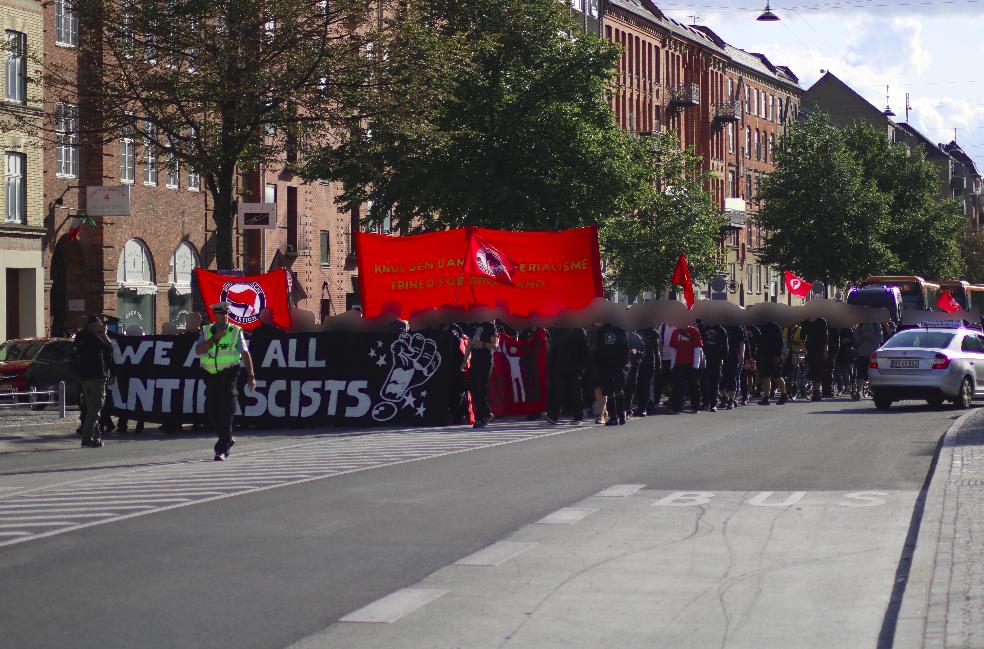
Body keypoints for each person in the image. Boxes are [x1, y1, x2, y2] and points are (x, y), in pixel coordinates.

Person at [195, 302, 257, 461]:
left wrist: (251, 376)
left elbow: (245, 353)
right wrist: (215, 338)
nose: (224, 317)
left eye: (226, 314)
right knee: (211, 411)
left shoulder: (235, 331)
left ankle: (221, 449)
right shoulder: (206, 330)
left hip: (229, 374)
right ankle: (228, 439)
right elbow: (199, 350)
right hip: (210, 375)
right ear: (214, 316)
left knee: (226, 411)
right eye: (221, 314)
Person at [72, 315, 114, 448]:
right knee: (95, 409)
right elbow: (109, 348)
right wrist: (105, 335)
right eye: (98, 324)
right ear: (92, 325)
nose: (100, 326)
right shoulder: (94, 337)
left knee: (91, 409)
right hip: (96, 377)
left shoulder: (80, 336)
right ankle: (87, 438)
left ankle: (96, 438)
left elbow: (72, 353)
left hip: (84, 378)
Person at [546, 324, 590, 424]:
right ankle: (553, 417)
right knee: (559, 392)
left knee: (576, 394)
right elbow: (553, 350)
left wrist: (582, 368)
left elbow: (585, 350)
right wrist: (551, 367)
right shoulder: (559, 331)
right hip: (560, 368)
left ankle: (578, 417)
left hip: (575, 368)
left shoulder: (578, 330)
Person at [593, 322, 630, 426]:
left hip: (615, 365)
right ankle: (615, 416)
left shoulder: (619, 330)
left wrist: (624, 363)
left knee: (616, 390)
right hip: (607, 365)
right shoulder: (604, 330)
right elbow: (599, 348)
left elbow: (625, 347)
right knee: (610, 391)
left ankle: (619, 415)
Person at [463, 321, 497, 428]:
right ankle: (486, 413)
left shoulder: (490, 326)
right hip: (475, 361)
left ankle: (480, 417)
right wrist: (464, 360)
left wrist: (483, 344)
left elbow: (495, 346)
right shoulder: (472, 325)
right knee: (473, 387)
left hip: (485, 361)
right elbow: (469, 344)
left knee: (481, 388)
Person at [669, 322, 703, 414]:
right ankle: (676, 407)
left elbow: (697, 348)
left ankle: (695, 407)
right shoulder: (675, 332)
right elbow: (673, 349)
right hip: (679, 363)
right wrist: (672, 364)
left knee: (693, 386)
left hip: (691, 363)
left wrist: (696, 364)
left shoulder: (694, 331)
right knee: (678, 386)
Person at [756, 320, 787, 405]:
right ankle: (766, 397)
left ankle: (784, 395)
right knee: (765, 377)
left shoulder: (775, 326)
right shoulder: (760, 326)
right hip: (763, 355)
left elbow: (780, 342)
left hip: (774, 355)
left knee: (777, 376)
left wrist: (777, 355)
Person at [701, 321, 729, 411]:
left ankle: (713, 403)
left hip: (716, 358)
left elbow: (725, 346)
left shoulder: (721, 330)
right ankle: (705, 402)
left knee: (715, 381)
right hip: (705, 358)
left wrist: (722, 357)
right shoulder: (703, 329)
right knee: (704, 381)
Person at [633, 326, 660, 416]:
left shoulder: (653, 333)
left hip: (648, 363)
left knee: (645, 386)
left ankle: (643, 408)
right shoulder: (637, 330)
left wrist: (658, 365)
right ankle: (639, 407)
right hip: (637, 363)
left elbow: (656, 351)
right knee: (638, 387)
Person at [853, 321, 882, 400]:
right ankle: (858, 392)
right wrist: (862, 336)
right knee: (861, 373)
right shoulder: (860, 324)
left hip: (873, 354)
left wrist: (870, 336)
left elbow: (880, 339)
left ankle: (874, 392)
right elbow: (855, 339)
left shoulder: (876, 324)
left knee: (874, 373)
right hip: (862, 353)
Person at [804, 316, 828, 401]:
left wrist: (825, 350)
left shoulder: (822, 321)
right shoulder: (806, 321)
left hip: (820, 349)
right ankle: (815, 391)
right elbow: (802, 335)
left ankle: (817, 391)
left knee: (818, 370)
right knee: (812, 370)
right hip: (810, 349)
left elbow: (825, 337)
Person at [722, 324, 745, 410]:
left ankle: (731, 400)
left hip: (733, 356)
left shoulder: (737, 326)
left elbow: (742, 342)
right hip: (722, 356)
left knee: (732, 377)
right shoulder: (721, 325)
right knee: (722, 378)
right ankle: (724, 398)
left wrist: (741, 354)